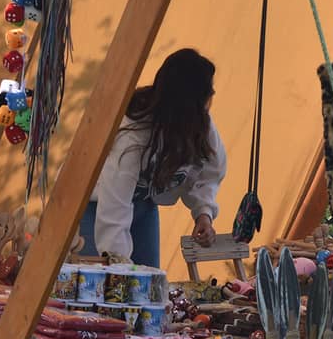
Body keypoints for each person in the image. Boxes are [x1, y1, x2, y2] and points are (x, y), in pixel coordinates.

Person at [80, 48, 226, 268]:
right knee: (104, 277)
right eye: (208, 95)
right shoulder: (133, 133)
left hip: (144, 204)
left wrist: (203, 213)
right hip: (95, 204)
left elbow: (209, 173)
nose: (211, 100)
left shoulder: (200, 125)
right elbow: (114, 205)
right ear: (190, 102)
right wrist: (118, 264)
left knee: (148, 278)